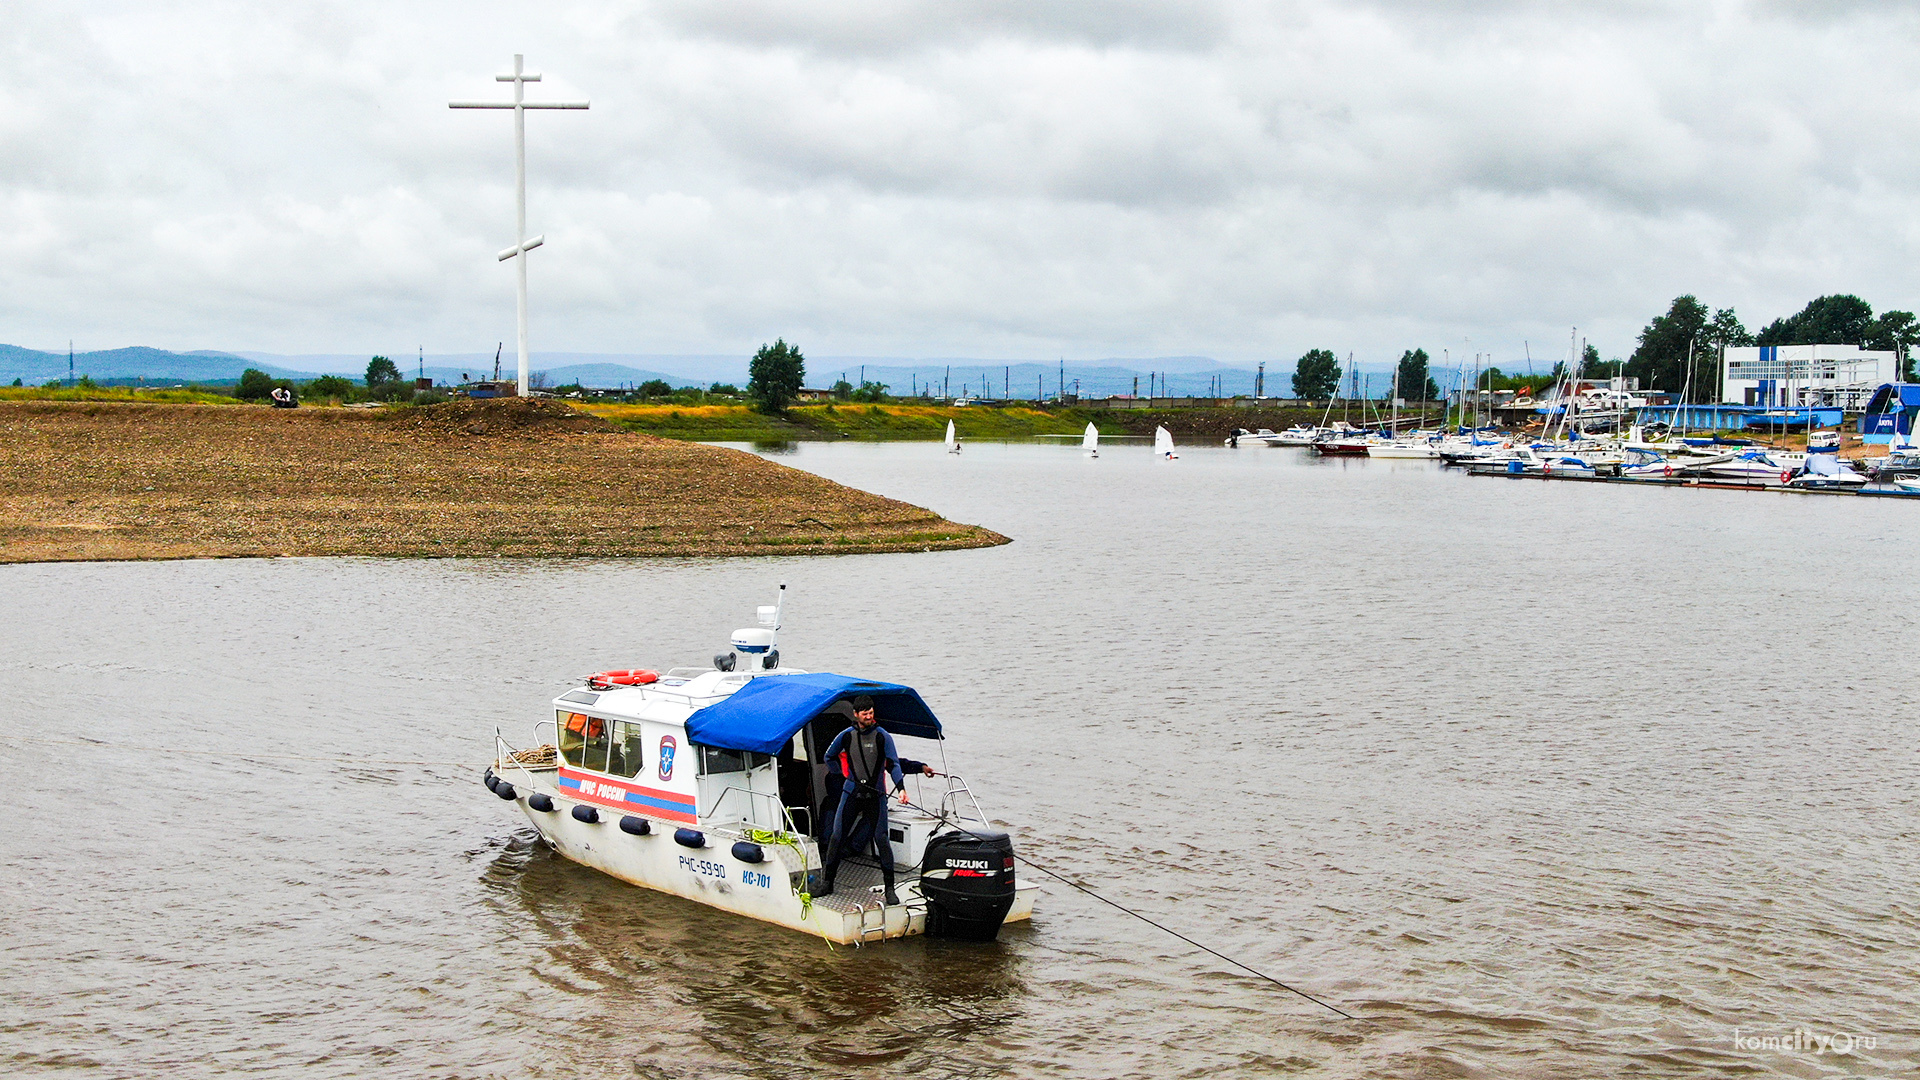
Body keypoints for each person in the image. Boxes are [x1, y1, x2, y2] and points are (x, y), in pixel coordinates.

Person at [816, 695, 931, 904]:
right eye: (865, 713)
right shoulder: (846, 736)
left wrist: (902, 789)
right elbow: (828, 756)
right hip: (851, 793)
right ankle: (827, 883)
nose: (869, 716)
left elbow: (894, 764)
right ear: (856, 714)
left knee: (881, 839)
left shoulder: (882, 736)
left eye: (871, 712)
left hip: (875, 796)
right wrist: (842, 778)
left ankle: (889, 889)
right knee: (836, 836)